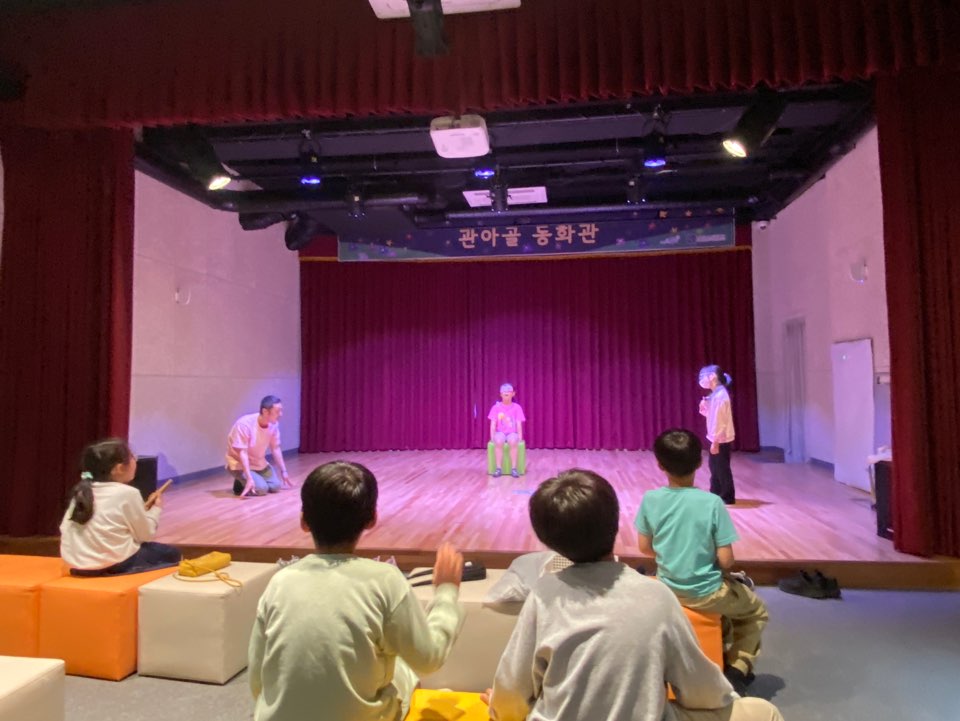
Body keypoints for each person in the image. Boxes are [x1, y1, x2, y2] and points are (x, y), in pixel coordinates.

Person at [486, 468, 783, 721]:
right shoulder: (656, 596)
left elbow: (510, 694)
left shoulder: (542, 595)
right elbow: (702, 691)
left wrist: (502, 711)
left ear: (547, 540)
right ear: (616, 524)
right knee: (763, 712)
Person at [248, 461, 465, 721]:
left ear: (304, 520)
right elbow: (428, 659)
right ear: (372, 518)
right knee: (404, 670)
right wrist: (447, 591)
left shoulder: (279, 582)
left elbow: (257, 679)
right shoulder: (386, 580)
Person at [636, 429, 769, 695]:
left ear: (660, 465)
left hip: (667, 590)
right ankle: (737, 669)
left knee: (731, 606)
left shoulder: (650, 500)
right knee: (755, 612)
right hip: (707, 593)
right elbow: (726, 560)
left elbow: (644, 548)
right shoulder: (712, 503)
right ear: (700, 462)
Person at [59, 438, 181, 576]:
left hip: (75, 564)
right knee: (171, 553)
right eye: (132, 457)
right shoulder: (128, 493)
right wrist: (156, 509)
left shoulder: (81, 491)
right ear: (119, 468)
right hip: (111, 565)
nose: (135, 460)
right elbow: (145, 535)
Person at [226, 395, 292, 497]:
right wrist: (249, 478)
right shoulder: (244, 424)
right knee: (261, 489)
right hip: (239, 463)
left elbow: (275, 448)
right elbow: (242, 453)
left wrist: (284, 471)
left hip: (259, 462)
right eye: (277, 411)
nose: (281, 414)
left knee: (275, 486)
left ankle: (252, 478)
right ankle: (240, 483)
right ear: (265, 411)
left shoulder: (273, 424)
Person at [698, 365, 736, 505]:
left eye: (705, 376)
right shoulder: (715, 394)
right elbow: (711, 415)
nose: (702, 380)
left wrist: (716, 441)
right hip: (715, 436)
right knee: (714, 466)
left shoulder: (720, 396)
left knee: (721, 467)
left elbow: (720, 421)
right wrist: (704, 406)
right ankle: (715, 492)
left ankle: (727, 496)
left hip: (721, 438)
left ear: (713, 376)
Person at [488, 382, 526, 478]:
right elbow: (493, 424)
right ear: (500, 394)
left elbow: (518, 423)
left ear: (513, 394)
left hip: (512, 433)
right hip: (500, 432)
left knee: (512, 441)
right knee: (499, 440)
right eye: (504, 392)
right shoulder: (496, 407)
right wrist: (492, 437)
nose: (506, 393)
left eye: (508, 392)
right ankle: (498, 468)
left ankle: (514, 468)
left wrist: (520, 437)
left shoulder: (517, 407)